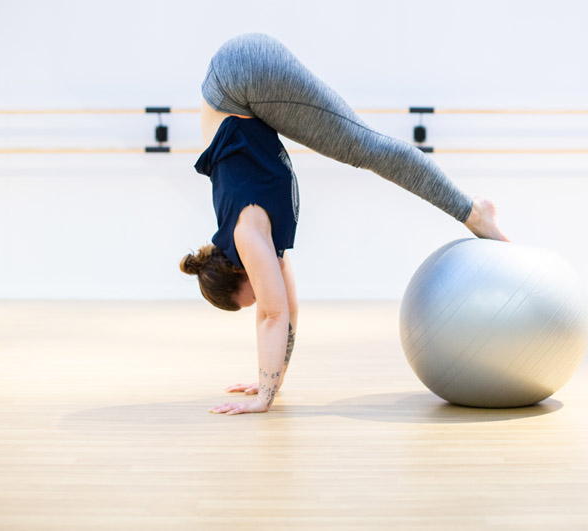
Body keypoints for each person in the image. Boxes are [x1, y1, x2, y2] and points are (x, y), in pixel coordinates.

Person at [180, 33, 508, 415]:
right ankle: (470, 209)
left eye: (252, 291)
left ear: (239, 269)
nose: (263, 293)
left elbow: (273, 314)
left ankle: (472, 209)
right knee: (361, 147)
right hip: (235, 85)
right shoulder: (260, 241)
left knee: (363, 146)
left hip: (239, 78)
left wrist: (263, 399)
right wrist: (271, 377)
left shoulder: (246, 234)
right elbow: (287, 309)